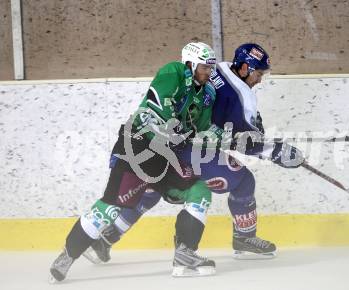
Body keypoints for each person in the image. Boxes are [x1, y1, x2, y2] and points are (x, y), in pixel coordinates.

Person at [84, 43, 304, 264]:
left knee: (151, 189)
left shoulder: (219, 68)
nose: (260, 79)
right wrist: (276, 152)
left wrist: (249, 130)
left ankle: (104, 240)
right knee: (244, 181)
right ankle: (243, 238)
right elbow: (244, 141)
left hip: (163, 143)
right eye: (258, 73)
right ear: (245, 68)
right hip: (190, 147)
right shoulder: (243, 96)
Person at [49, 42, 222, 282]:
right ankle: (68, 255)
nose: (208, 72)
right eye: (204, 67)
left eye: (210, 68)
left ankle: (185, 255)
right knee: (111, 206)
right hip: (138, 146)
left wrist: (216, 133)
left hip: (166, 155)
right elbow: (159, 105)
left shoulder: (205, 93)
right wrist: (176, 127)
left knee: (199, 190)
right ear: (190, 64)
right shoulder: (173, 71)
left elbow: (200, 129)